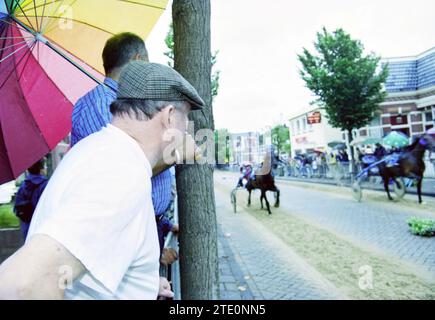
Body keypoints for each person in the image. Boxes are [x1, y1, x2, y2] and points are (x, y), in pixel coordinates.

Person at [0, 62, 204, 300]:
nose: (186, 132)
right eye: (185, 120)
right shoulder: (121, 174)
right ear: (169, 116)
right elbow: (23, 285)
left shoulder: (100, 149)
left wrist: (144, 285)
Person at [71, 33, 178, 266]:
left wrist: (165, 226)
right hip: (129, 235)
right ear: (137, 60)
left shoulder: (121, 104)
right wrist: (174, 155)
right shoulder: (102, 107)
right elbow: (121, 176)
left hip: (146, 228)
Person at [13, 159, 48, 240]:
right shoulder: (45, 184)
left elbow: (16, 208)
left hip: (26, 227)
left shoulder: (23, 186)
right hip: (41, 226)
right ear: (41, 168)